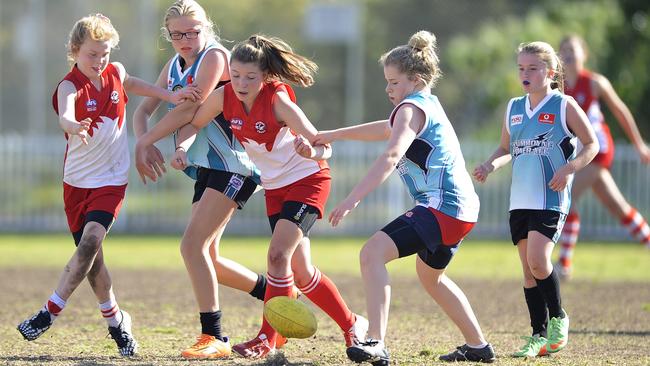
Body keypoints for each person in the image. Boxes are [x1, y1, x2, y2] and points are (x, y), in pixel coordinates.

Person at [134, 34, 367, 360]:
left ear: (266, 76)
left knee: (277, 257)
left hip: (308, 180)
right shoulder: (223, 96)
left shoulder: (278, 102)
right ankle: (353, 324)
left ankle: (266, 339)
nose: (241, 83)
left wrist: (310, 149)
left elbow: (322, 143)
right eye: (237, 74)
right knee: (300, 270)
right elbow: (191, 120)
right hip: (275, 187)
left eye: (250, 77)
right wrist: (180, 147)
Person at [16, 13, 199, 356]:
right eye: (91, 55)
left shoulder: (114, 72)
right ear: (74, 51)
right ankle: (117, 322)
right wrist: (73, 126)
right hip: (76, 185)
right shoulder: (70, 85)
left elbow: (133, 83)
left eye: (104, 54)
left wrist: (170, 97)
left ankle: (49, 311)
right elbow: (65, 113)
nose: (100, 62)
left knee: (90, 244)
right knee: (92, 261)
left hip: (111, 181)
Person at [313, 31, 495, 365]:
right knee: (431, 278)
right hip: (462, 209)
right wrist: (332, 135)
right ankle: (478, 346)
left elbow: (390, 154)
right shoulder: (424, 104)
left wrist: (352, 198)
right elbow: (386, 129)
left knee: (371, 255)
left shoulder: (410, 108)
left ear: (416, 79)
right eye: (387, 82)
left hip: (443, 206)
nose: (388, 89)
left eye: (393, 82)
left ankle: (376, 341)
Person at [132, 1, 279, 359]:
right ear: (168, 34)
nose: (185, 39)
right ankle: (274, 294)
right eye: (177, 34)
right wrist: (143, 139)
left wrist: (147, 141)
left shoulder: (214, 57)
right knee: (207, 257)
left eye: (192, 32)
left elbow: (188, 110)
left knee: (191, 246)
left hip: (235, 166)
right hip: (209, 169)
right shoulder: (173, 65)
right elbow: (143, 108)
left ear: (206, 28)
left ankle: (213, 336)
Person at [473, 41, 598, 357]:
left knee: (539, 261)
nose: (525, 74)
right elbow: (505, 149)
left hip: (550, 198)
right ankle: (538, 335)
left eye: (533, 68)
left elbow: (591, 144)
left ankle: (559, 317)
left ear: (551, 71)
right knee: (528, 272)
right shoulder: (514, 108)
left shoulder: (563, 105)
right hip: (520, 200)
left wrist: (569, 168)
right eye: (521, 68)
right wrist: (489, 164)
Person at [555, 35, 650, 279]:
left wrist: (639, 145)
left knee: (568, 197)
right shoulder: (558, 88)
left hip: (599, 150)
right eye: (563, 51)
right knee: (617, 207)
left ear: (584, 55)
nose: (567, 55)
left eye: (572, 50)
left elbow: (621, 112)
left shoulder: (595, 83)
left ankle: (564, 264)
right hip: (583, 153)